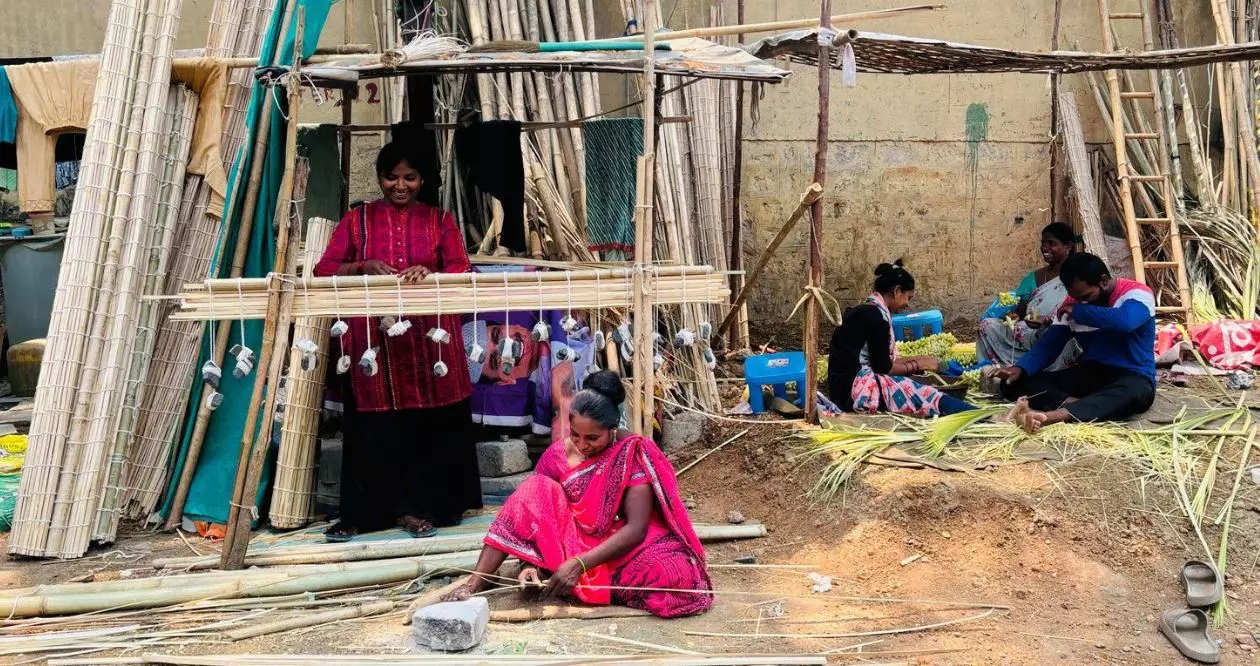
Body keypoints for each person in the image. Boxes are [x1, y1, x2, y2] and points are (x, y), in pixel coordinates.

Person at [314, 141, 481, 542]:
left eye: (409, 177)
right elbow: (324, 269)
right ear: (379, 178)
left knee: (425, 427)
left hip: (428, 343)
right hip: (374, 344)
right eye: (391, 177)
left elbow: (461, 267)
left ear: (423, 180)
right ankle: (365, 514)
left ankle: (419, 511)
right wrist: (362, 266)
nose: (400, 185)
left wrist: (432, 273)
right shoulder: (358, 221)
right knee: (373, 427)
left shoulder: (440, 221)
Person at [444, 371, 713, 618]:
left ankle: (571, 577)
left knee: (676, 574)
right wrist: (530, 564)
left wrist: (579, 564)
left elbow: (637, 529)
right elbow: (532, 511)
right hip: (567, 540)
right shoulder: (557, 454)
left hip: (613, 544)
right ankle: (478, 581)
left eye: (593, 438)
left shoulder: (631, 452)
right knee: (534, 487)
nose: (583, 445)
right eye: (575, 435)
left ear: (612, 428)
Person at [995, 252, 1156, 432]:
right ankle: (1081, 406)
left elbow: (1126, 321)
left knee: (1133, 393)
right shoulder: (1074, 303)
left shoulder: (1137, 294)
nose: (1081, 302)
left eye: (1086, 296)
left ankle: (1056, 415)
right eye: (1077, 298)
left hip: (1132, 375)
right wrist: (1020, 368)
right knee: (1012, 383)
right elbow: (1050, 345)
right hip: (1091, 374)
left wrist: (1080, 311)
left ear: (1103, 281)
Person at [828, 260, 977, 417]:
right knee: (923, 394)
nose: (907, 304)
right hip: (854, 391)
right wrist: (919, 364)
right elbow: (884, 368)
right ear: (897, 291)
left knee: (910, 382)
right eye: (908, 297)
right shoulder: (877, 319)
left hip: (841, 388)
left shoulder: (864, 311)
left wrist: (921, 360)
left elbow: (880, 361)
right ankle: (980, 415)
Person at [977, 222, 1081, 368]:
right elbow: (1020, 312)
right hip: (1030, 334)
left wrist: (1048, 321)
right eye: (1043, 243)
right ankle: (996, 367)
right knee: (987, 325)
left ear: (1068, 246)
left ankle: (1036, 367)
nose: (1045, 248)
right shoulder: (1034, 278)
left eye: (1051, 243)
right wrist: (1014, 316)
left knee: (1058, 336)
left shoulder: (1078, 274)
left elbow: (1083, 309)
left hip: (1059, 333)